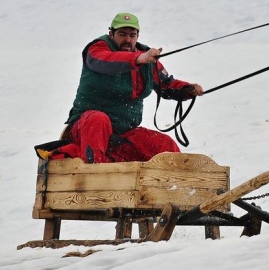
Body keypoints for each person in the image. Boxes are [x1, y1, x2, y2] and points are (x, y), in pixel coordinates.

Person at [41, 13, 204, 163]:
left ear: (137, 36)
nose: (128, 40)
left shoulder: (146, 58)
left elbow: (167, 84)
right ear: (111, 34)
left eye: (132, 35)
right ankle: (97, 178)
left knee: (164, 145)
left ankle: (180, 186)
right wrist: (139, 58)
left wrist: (187, 89)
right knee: (98, 120)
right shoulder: (97, 50)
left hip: (122, 135)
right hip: (87, 129)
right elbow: (109, 61)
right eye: (122, 34)